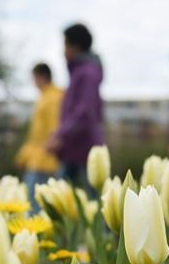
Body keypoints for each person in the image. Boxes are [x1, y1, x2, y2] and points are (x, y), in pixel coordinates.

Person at [47, 23, 104, 188]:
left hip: (83, 148)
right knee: (61, 194)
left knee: (93, 197)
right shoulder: (80, 72)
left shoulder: (87, 73)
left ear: (76, 46)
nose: (63, 51)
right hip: (74, 147)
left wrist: (61, 135)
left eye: (65, 45)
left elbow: (84, 112)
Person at [15, 63, 64, 210]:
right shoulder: (45, 97)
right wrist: (23, 156)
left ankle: (36, 231)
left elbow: (54, 132)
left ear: (41, 77)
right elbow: (36, 134)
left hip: (44, 160)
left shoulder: (52, 98)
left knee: (35, 202)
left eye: (34, 78)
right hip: (38, 158)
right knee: (35, 201)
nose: (33, 83)